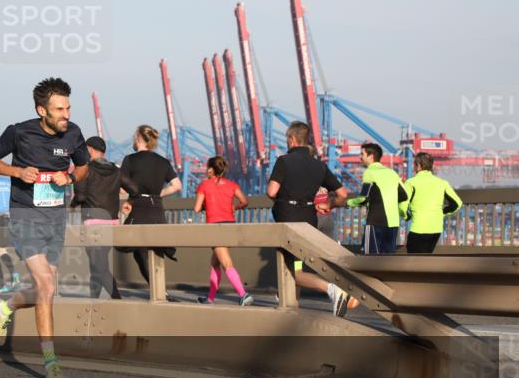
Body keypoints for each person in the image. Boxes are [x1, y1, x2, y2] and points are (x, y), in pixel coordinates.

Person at [0, 77, 90, 378]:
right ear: (41, 110)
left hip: (56, 218)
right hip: (25, 214)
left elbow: (83, 168)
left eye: (68, 107)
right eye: (59, 109)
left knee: (45, 289)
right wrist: (17, 171)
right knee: (46, 286)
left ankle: (4, 306)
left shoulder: (74, 133)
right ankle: (51, 362)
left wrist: (68, 178)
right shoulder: (18, 131)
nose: (65, 114)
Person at [267, 121, 357, 316]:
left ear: (291, 139)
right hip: (309, 220)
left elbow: (271, 191)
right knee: (296, 264)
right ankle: (293, 307)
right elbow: (343, 194)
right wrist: (328, 205)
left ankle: (331, 289)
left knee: (291, 272)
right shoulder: (319, 166)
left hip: (288, 219)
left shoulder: (283, 161)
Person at [119, 124, 183, 299]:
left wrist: (129, 200)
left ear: (139, 138)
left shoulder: (130, 160)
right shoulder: (163, 161)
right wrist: (160, 193)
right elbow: (177, 185)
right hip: (156, 207)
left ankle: (159, 291)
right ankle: (160, 289)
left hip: (140, 207)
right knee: (156, 249)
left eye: (134, 136)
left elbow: (123, 186)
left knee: (136, 249)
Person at [194, 156, 253, 306]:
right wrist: (234, 207)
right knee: (215, 262)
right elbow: (244, 201)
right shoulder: (232, 185)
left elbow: (196, 208)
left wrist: (207, 206)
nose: (206, 170)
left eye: (208, 167)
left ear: (212, 170)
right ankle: (210, 299)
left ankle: (243, 294)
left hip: (215, 227)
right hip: (230, 226)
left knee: (226, 263)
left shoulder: (204, 185)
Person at [70, 136, 122, 299]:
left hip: (93, 221)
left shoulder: (86, 169)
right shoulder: (116, 170)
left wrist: (71, 206)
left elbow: (80, 195)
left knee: (99, 265)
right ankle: (93, 301)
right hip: (112, 221)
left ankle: (118, 299)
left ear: (90, 150)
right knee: (97, 263)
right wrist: (132, 201)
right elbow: (133, 187)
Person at [348, 143, 408, 255]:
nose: (360, 157)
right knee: (388, 259)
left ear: (370, 156)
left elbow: (363, 199)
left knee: (370, 258)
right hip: (393, 222)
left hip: (375, 221)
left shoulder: (369, 172)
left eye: (362, 154)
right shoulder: (392, 173)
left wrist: (348, 202)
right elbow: (404, 195)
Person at [400, 152, 463, 253]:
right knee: (427, 259)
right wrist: (442, 212)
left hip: (418, 229)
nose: (413, 167)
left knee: (413, 262)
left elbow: (403, 205)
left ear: (419, 165)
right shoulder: (442, 183)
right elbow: (457, 203)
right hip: (436, 229)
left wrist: (407, 216)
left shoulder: (411, 182)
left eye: (414, 164)